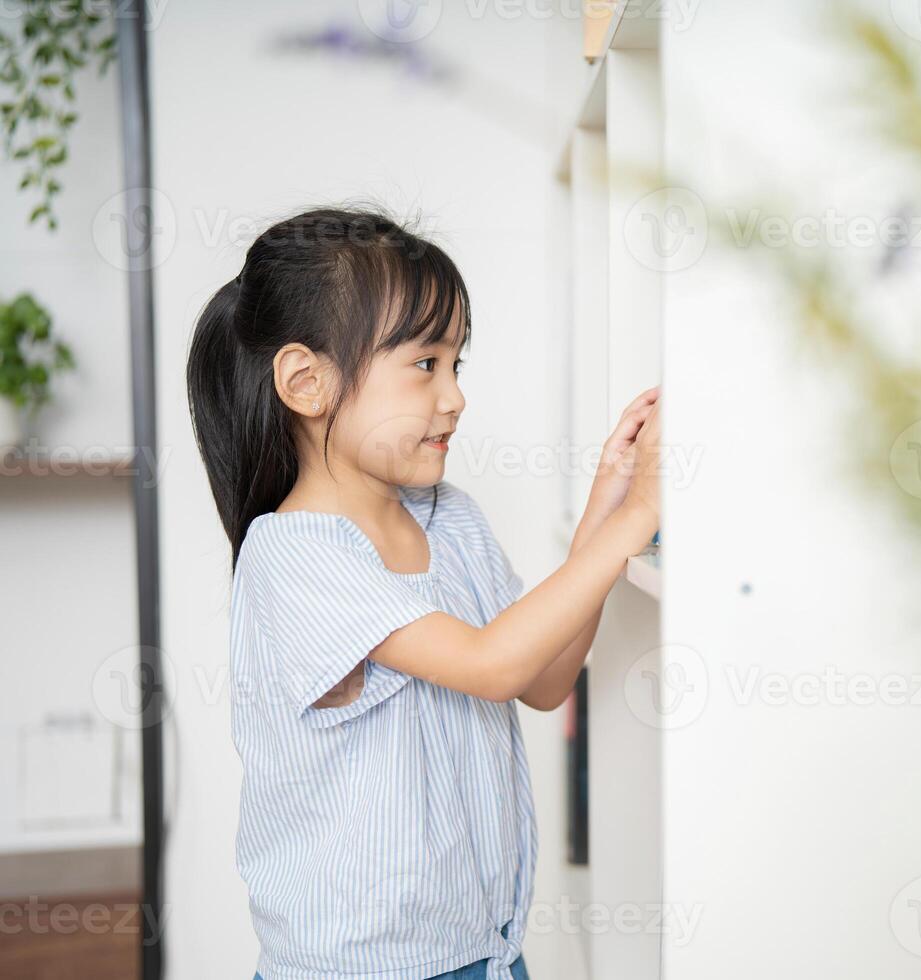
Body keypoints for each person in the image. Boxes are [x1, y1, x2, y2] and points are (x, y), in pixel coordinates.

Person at [184, 206, 661, 980]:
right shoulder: (292, 553)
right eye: (424, 364)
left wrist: (606, 514)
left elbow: (540, 678)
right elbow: (491, 664)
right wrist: (638, 517)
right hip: (356, 969)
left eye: (456, 365)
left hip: (483, 950)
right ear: (307, 382)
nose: (455, 397)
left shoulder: (453, 521)